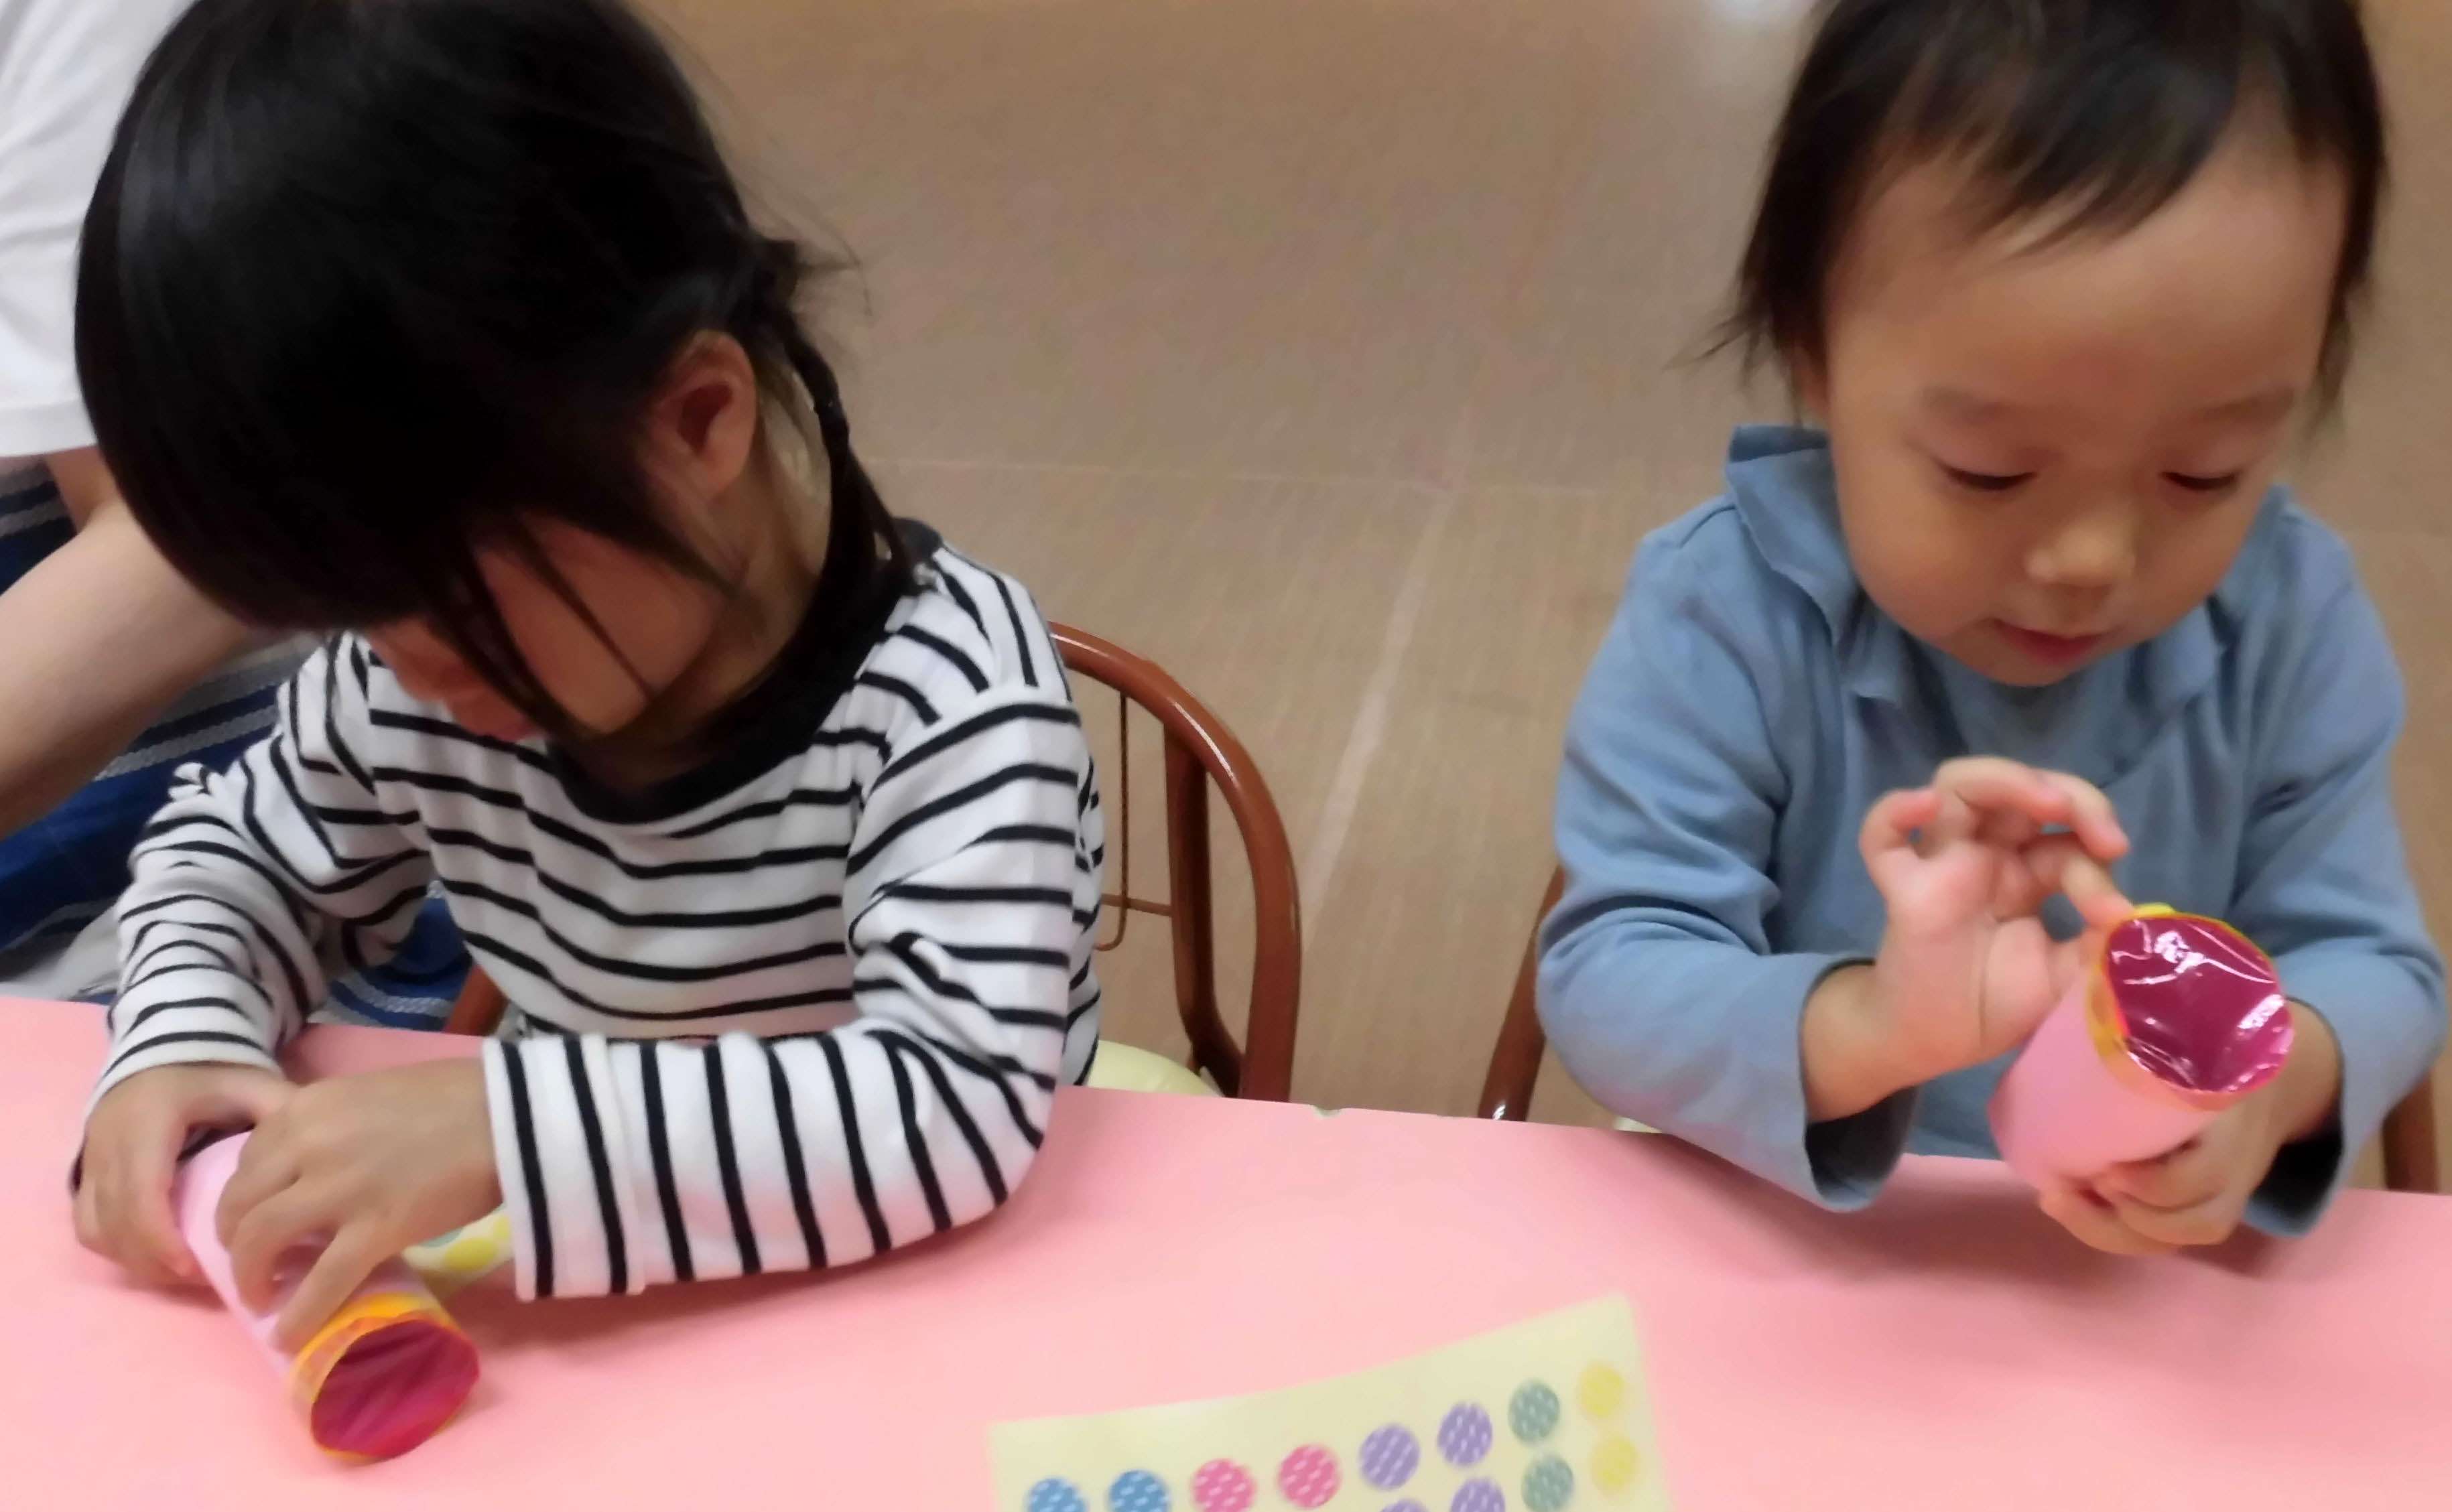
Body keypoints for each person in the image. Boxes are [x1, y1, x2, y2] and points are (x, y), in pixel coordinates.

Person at [72, 0, 1104, 1347]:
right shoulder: (421, 684)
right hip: (627, 1345)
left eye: (451, 610)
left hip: (937, 1329)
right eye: (361, 621)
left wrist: (511, 1129)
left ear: (696, 423)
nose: (409, 677)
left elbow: (954, 1104)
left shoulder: (951, 707)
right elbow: (230, 855)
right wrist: (183, 1040)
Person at [1540, 0, 2445, 1255]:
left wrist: (2269, 1082)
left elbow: (2375, 963)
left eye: (2203, 473)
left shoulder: (2290, 623)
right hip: (1793, 1237)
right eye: (1989, 470)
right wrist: (1871, 1026)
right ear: (1814, 354)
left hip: (2143, 1273)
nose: (2091, 561)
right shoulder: (1727, 611)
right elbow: (1610, 973)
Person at [0, 0, 466, 1025]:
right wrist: (179, 1031)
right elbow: (235, 870)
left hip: (116, 892)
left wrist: (514, 1105)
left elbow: (179, 532)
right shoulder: (379, 709)